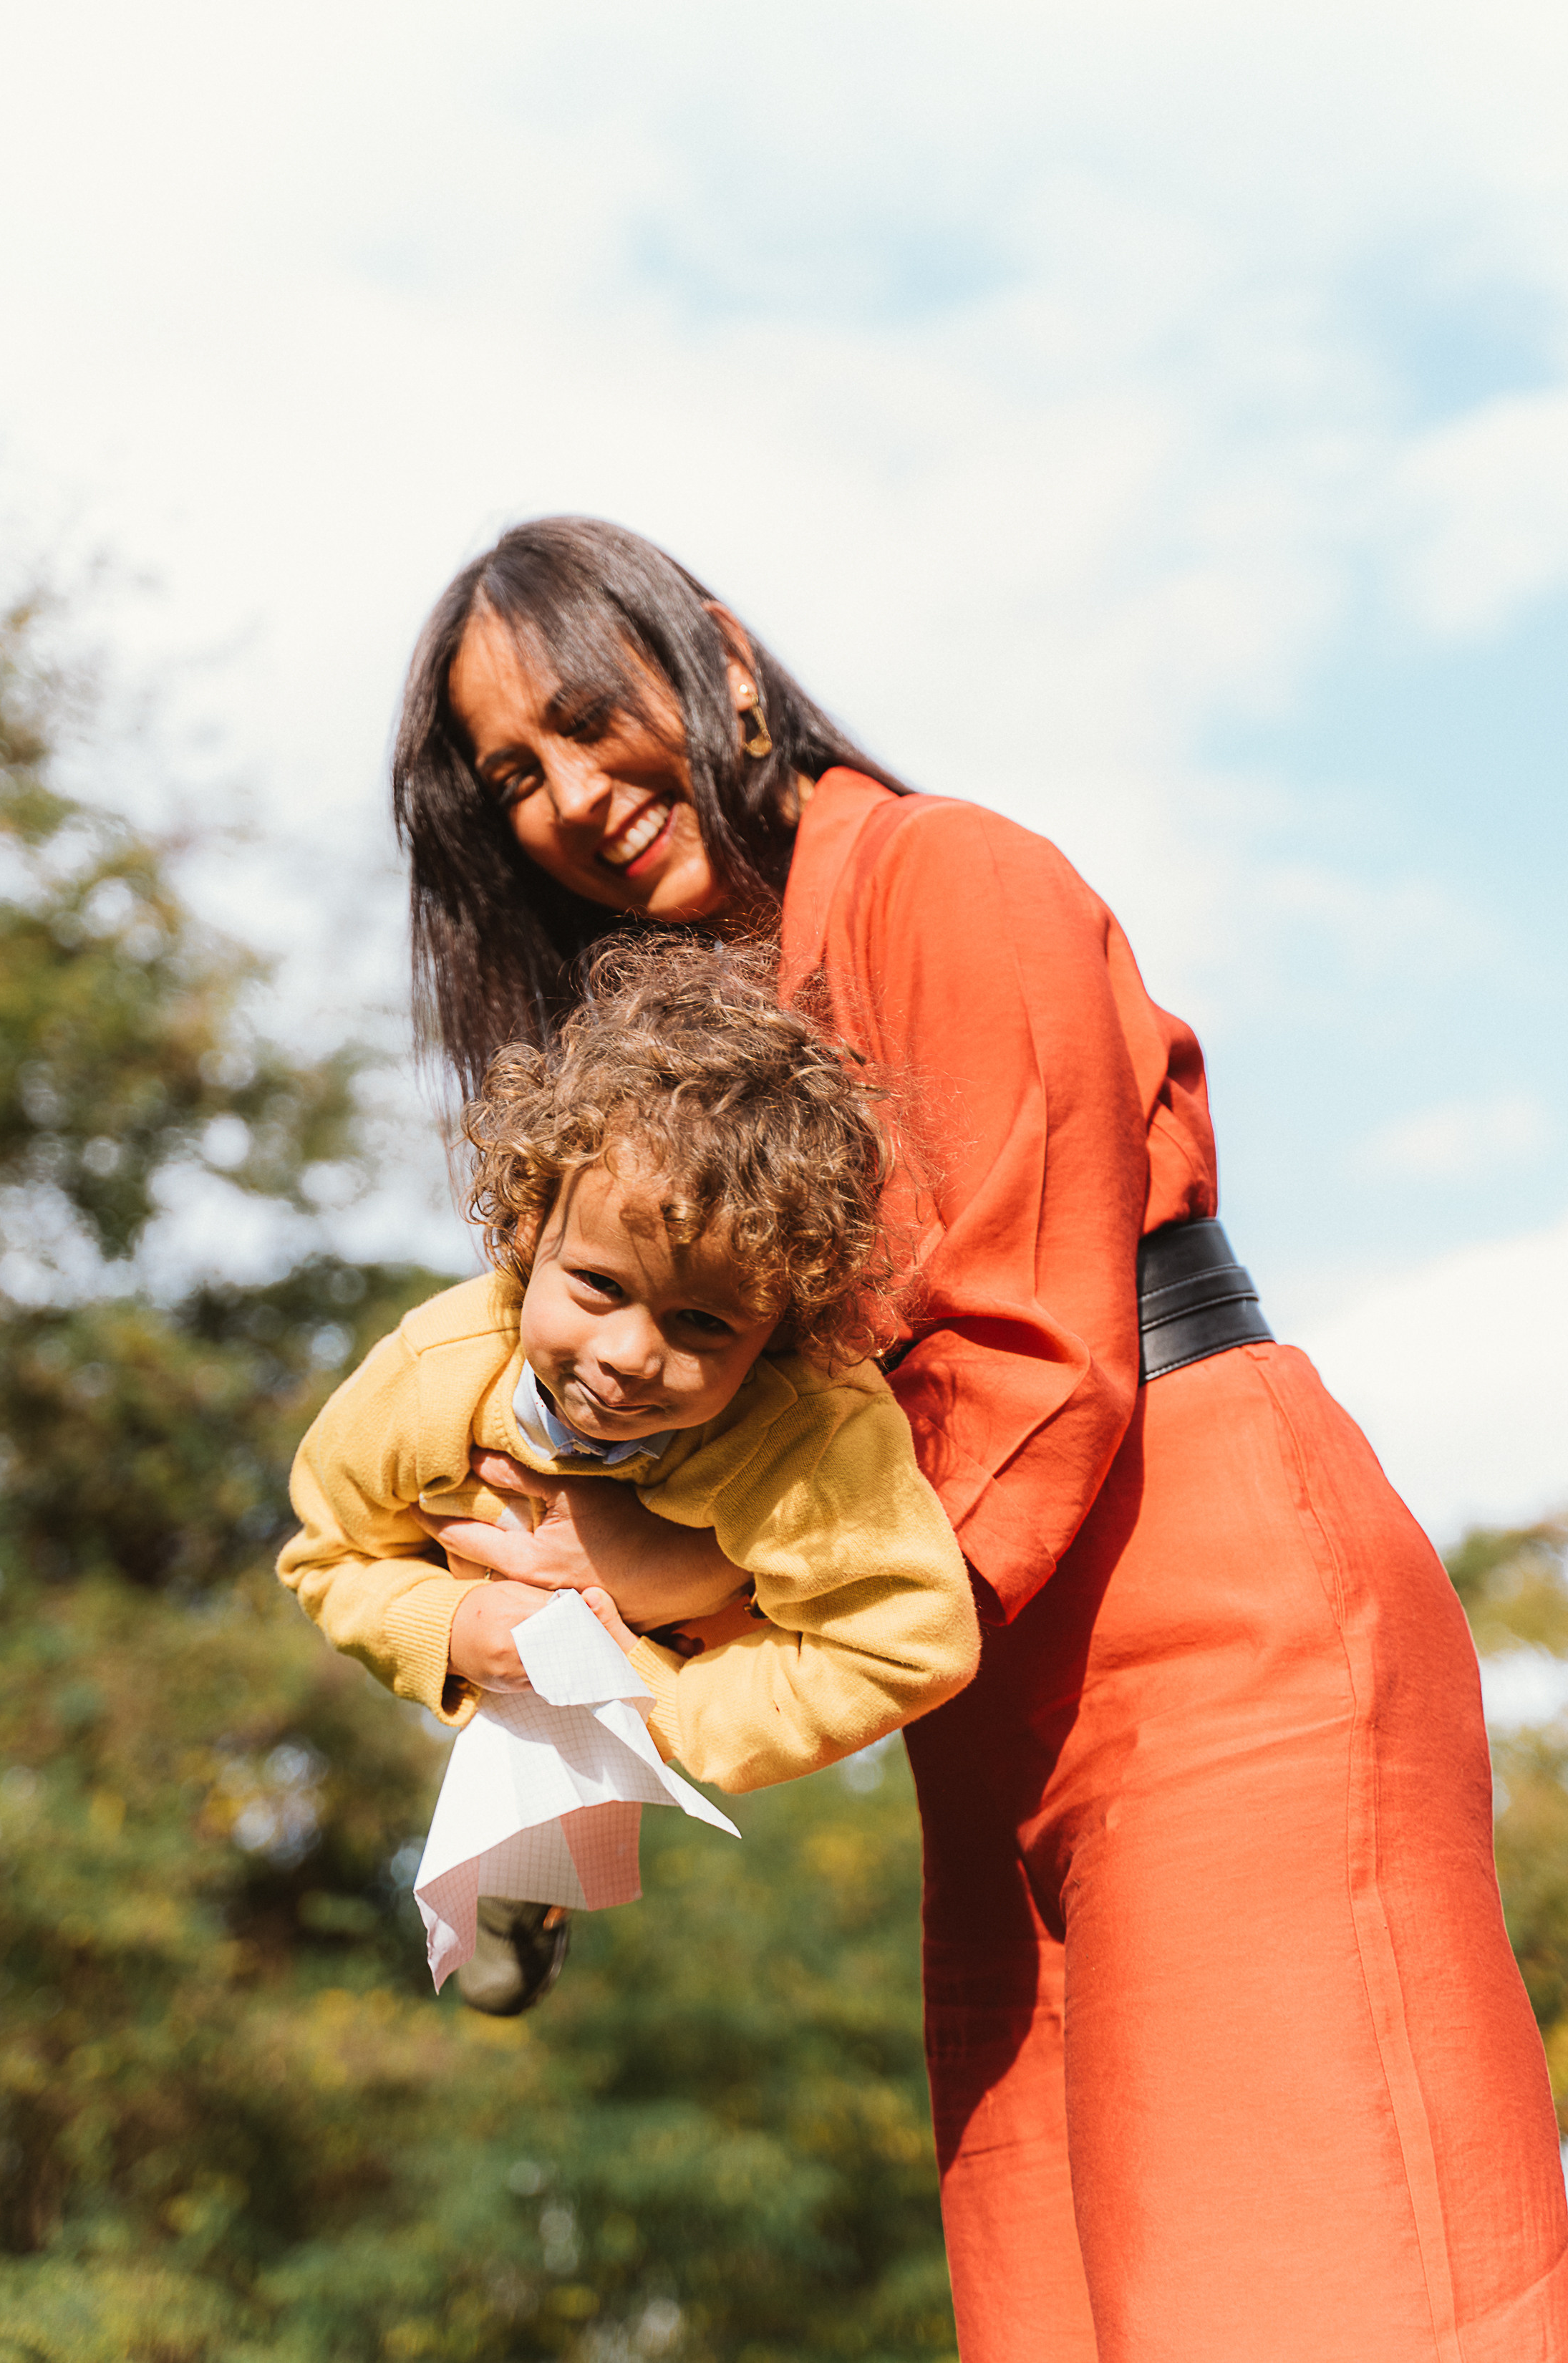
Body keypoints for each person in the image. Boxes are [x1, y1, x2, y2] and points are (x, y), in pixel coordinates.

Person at [388, 516, 1568, 2362]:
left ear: (718, 653)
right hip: (976, 1705)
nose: (565, 793)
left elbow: (1027, 1363)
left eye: (584, 712)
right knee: (1061, 2312)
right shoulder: (709, 1067)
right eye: (509, 776)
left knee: (1316, 2290)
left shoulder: (953, 879)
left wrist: (653, 1591)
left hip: (1210, 1625)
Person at [278, 937, 979, 2003]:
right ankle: (515, 1885)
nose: (626, 1357)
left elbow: (907, 1644)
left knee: (579, 1780)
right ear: (525, 1228)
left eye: (702, 1322)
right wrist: (456, 1633)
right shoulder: (438, 1373)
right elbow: (327, 1555)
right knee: (504, 1785)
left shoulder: (812, 1434)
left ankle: (536, 1877)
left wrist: (661, 1698)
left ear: (784, 1326)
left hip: (698, 1653)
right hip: (498, 1631)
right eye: (598, 1287)